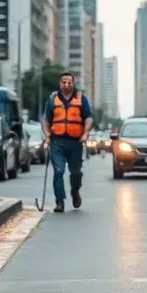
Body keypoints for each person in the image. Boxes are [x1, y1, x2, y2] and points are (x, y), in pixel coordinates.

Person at [41, 72, 94, 212]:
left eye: (69, 82)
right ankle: (59, 202)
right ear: (60, 84)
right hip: (57, 142)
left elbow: (88, 117)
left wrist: (86, 133)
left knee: (76, 173)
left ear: (73, 83)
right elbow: (46, 119)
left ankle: (75, 191)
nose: (66, 85)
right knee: (58, 171)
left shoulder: (81, 98)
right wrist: (46, 134)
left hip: (75, 142)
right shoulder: (52, 99)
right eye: (64, 82)